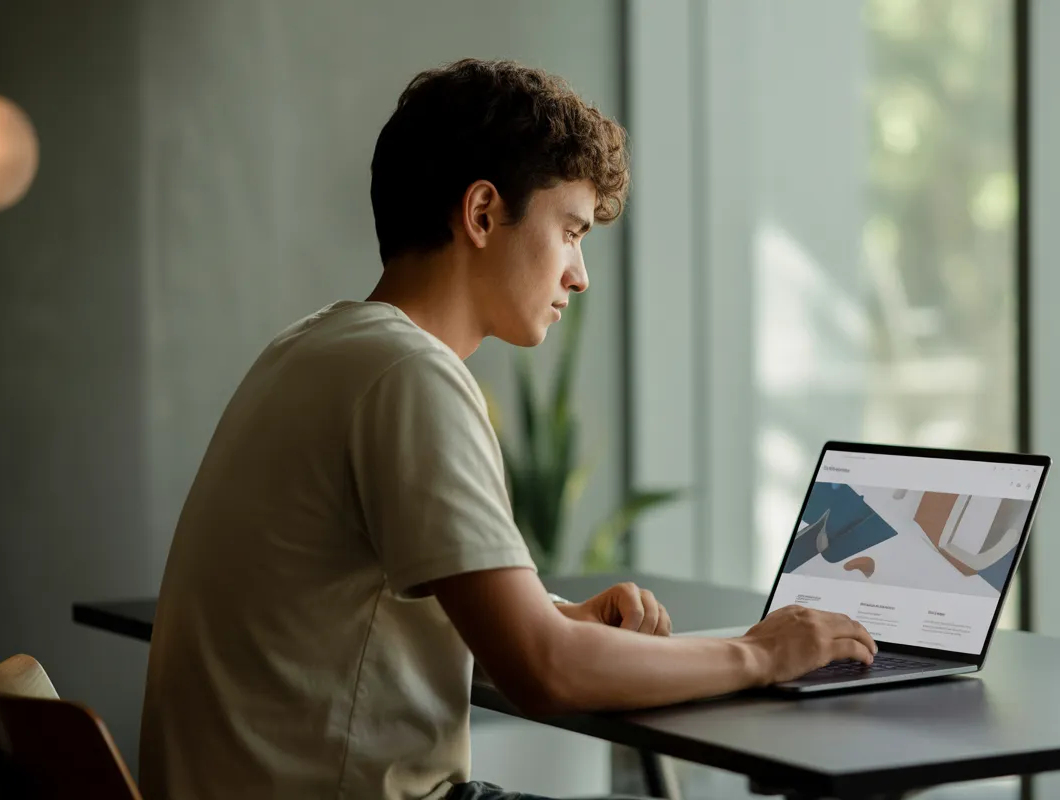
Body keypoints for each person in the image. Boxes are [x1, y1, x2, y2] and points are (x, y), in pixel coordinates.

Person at [138, 58, 877, 800]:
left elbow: (396, 606)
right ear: (483, 214)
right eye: (570, 231)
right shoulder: (408, 375)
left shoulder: (311, 350)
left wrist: (556, 616)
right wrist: (762, 655)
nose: (580, 275)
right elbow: (544, 672)